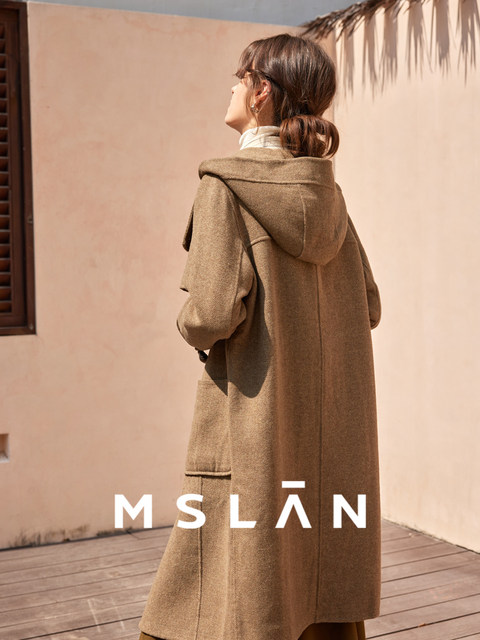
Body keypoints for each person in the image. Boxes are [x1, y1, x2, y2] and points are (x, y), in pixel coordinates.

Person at [138, 33, 382, 640]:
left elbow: (211, 312)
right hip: (331, 432)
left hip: (252, 423)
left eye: (240, 76)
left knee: (218, 592)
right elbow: (369, 305)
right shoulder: (329, 197)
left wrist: (188, 322)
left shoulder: (224, 186)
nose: (231, 85)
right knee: (317, 585)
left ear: (262, 92)